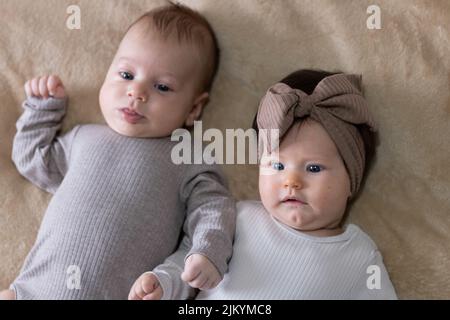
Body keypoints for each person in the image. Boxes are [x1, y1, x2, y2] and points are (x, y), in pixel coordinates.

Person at [0, 3, 235, 300]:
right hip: (33, 292)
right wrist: (41, 110)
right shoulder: (84, 138)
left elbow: (215, 209)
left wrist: (206, 252)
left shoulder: (187, 158)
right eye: (126, 75)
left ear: (194, 108)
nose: (137, 92)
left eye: (162, 86)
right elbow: (32, 160)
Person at [136, 69, 398, 299]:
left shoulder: (359, 258)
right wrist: (165, 283)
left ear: (352, 180)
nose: (292, 182)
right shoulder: (236, 218)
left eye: (314, 168)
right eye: (277, 166)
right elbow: (191, 256)